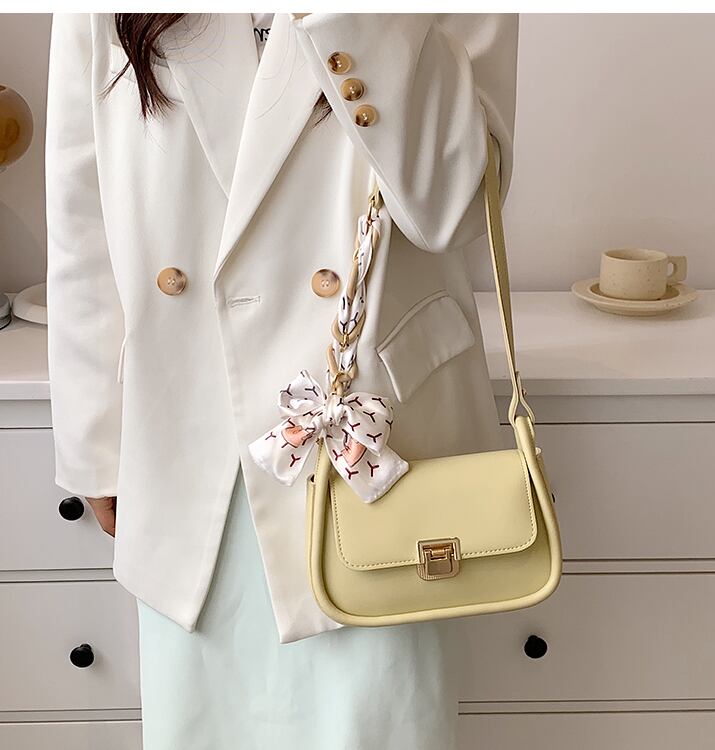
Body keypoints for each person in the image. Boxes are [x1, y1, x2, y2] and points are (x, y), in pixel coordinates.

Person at [45, 12, 519, 749]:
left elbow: (454, 208)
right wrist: (95, 443)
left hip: (376, 461)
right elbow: (81, 209)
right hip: (188, 440)